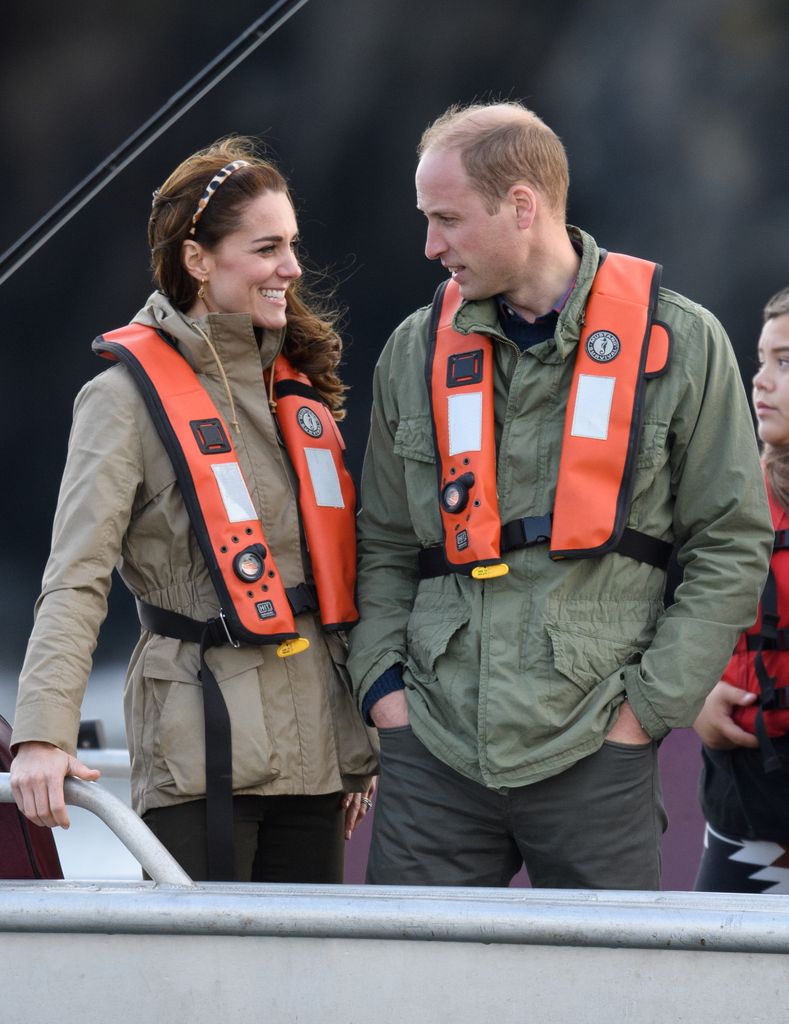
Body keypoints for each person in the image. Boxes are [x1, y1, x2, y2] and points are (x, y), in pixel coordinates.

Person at [347, 100, 773, 890]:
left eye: (446, 219)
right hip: (431, 752)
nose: (429, 245)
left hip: (594, 749)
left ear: (520, 206)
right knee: (407, 993)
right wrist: (384, 696)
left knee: (610, 997)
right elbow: (379, 543)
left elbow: (729, 544)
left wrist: (644, 713)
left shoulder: (680, 344)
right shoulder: (412, 349)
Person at [10, 136, 377, 883]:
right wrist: (42, 738)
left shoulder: (298, 391)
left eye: (293, 246)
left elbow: (344, 579)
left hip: (318, 753)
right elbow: (76, 576)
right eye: (267, 247)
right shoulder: (119, 401)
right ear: (198, 260)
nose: (292, 269)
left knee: (307, 997)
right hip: (199, 750)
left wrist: (356, 739)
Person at [694, 287, 789, 894]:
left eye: (787, 362)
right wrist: (692, 694)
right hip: (747, 806)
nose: (761, 380)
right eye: (762, 359)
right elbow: (670, 611)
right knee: (708, 986)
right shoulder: (730, 495)